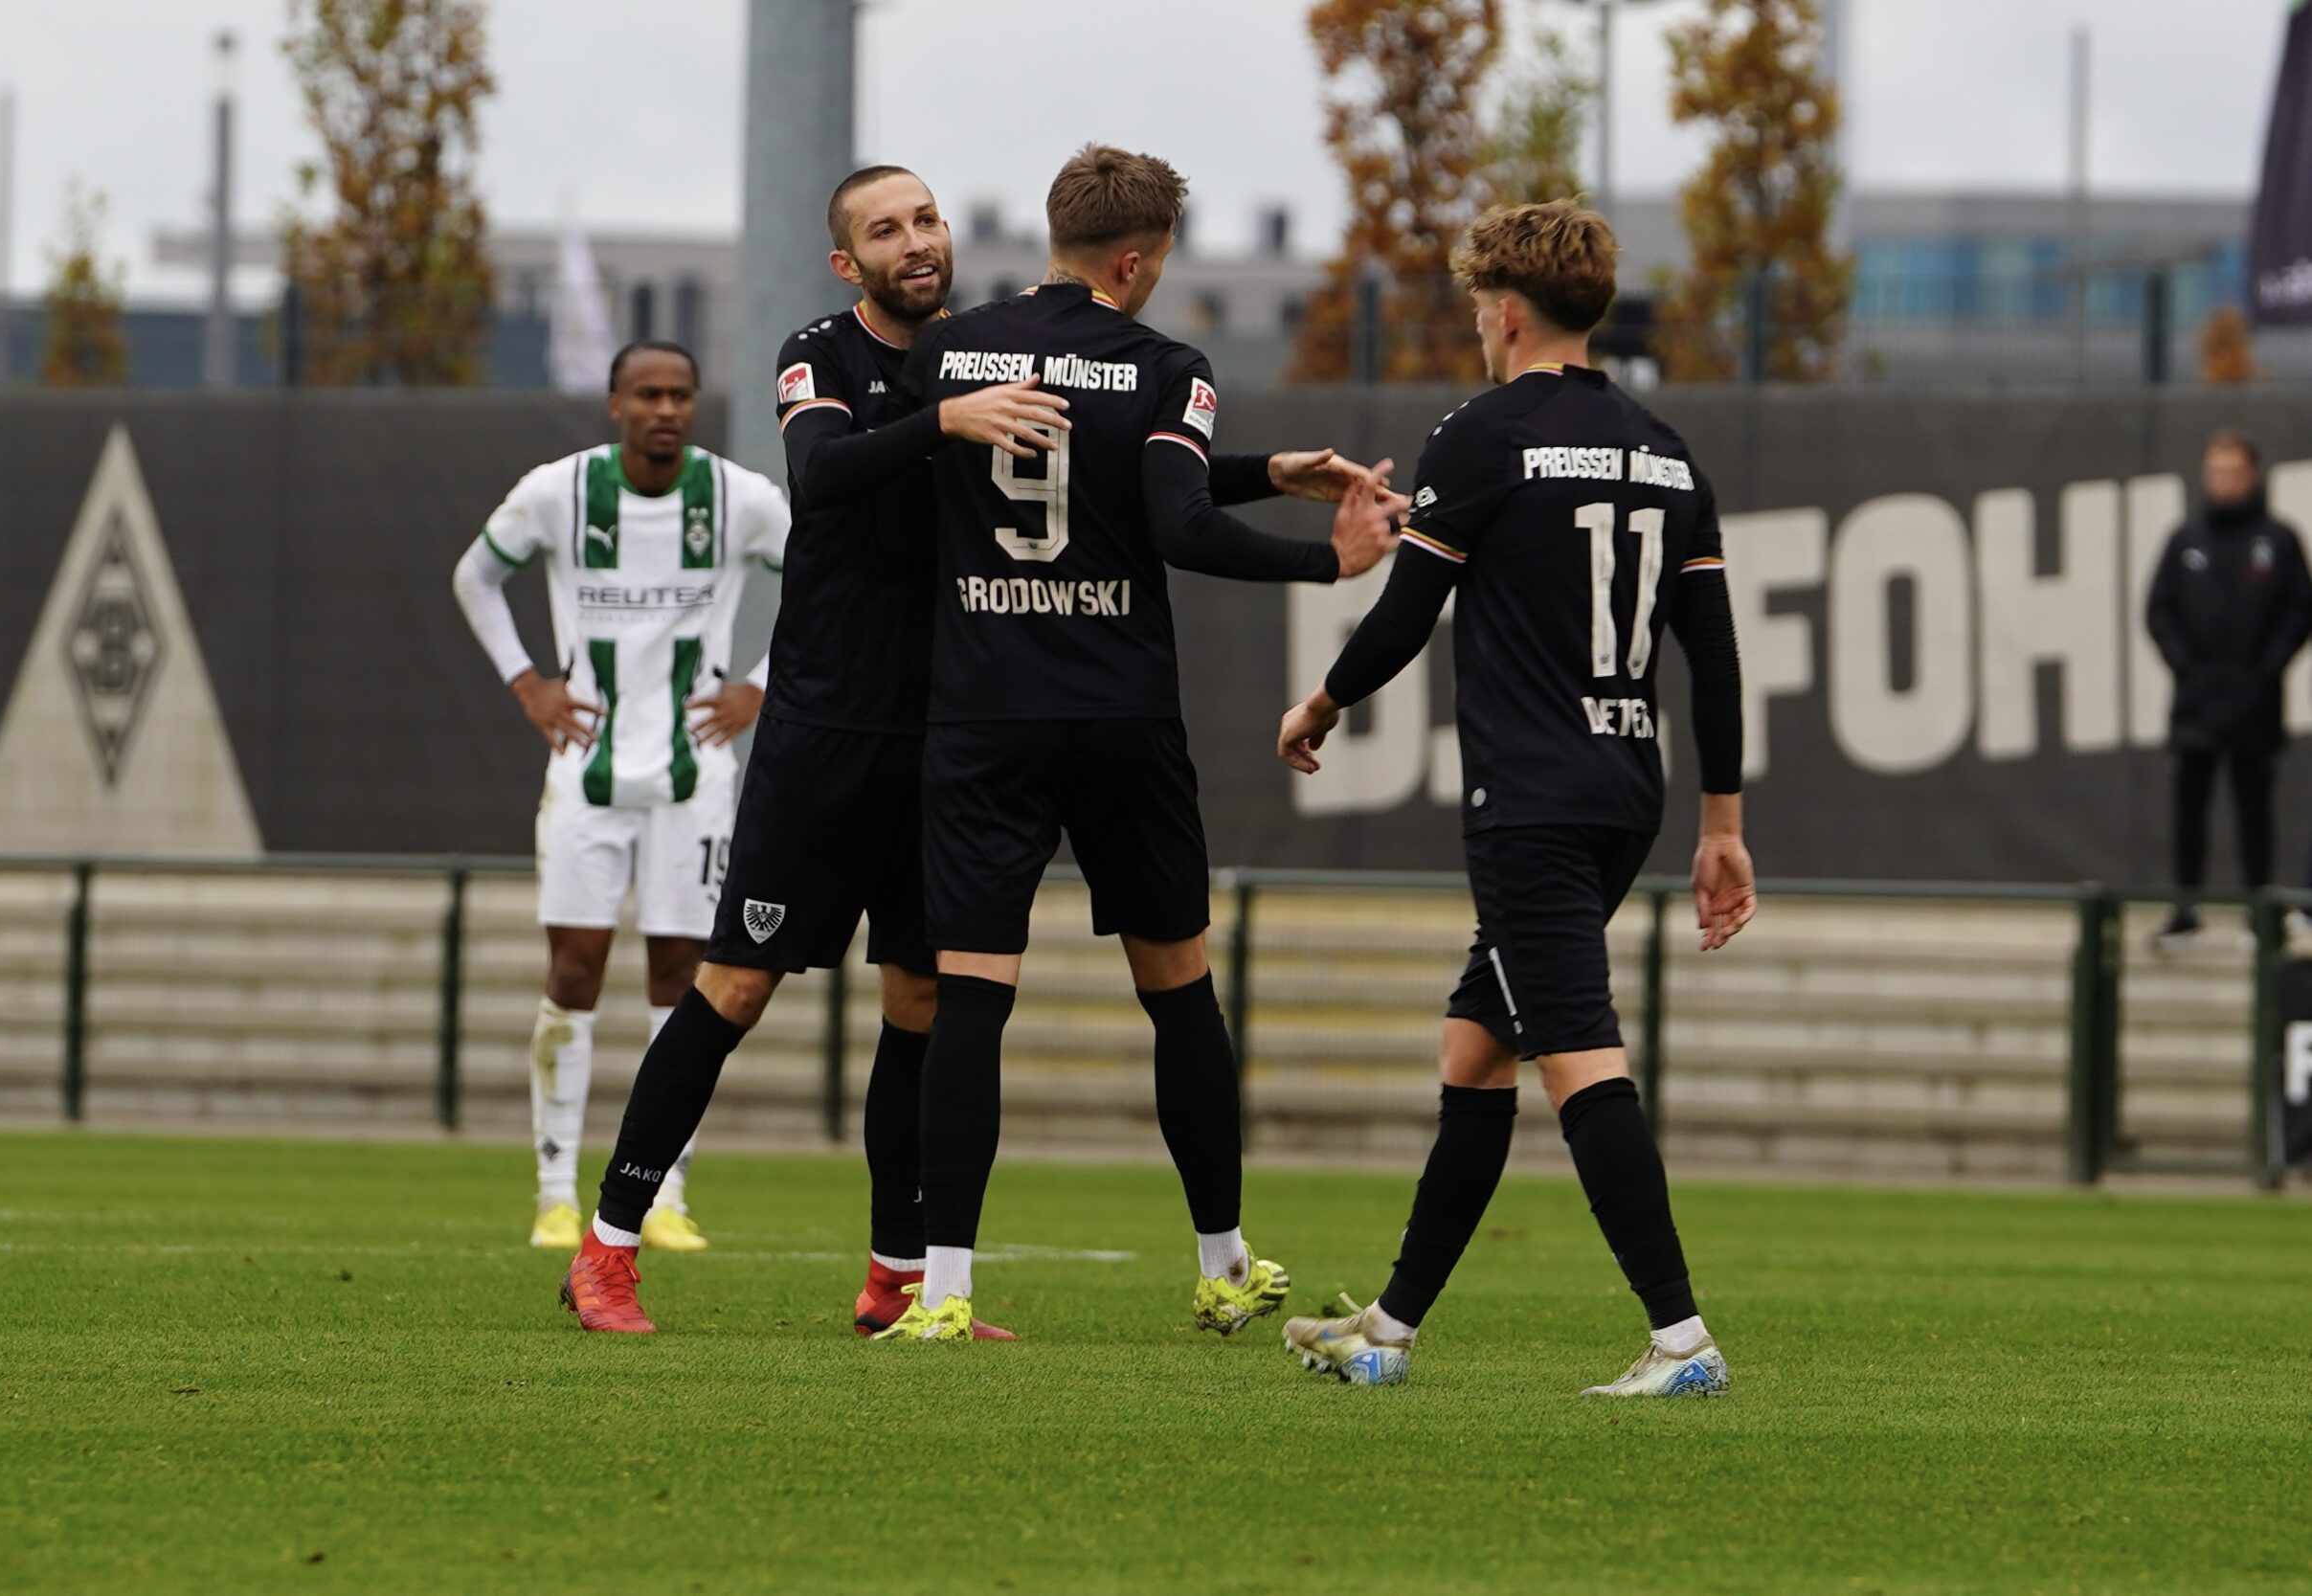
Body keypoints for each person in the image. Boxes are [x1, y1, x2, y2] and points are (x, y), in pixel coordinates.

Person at [558, 165, 1392, 1336]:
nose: (917, 240)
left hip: (948, 725)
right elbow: (822, 474)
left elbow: (1110, 476)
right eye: (885, 229)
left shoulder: (976, 350)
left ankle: (897, 1274)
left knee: (921, 1000)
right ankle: (606, 1246)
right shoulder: (831, 357)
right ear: (849, 264)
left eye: (928, 219)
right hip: (829, 727)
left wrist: (1266, 473)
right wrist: (942, 418)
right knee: (735, 983)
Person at [873, 145, 1403, 1343]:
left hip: (986, 713)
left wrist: (1269, 472)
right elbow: (1172, 517)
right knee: (1178, 993)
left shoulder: (950, 354)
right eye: (1160, 260)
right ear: (1134, 257)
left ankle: (945, 1291)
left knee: (970, 998)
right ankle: (1220, 1261)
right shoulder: (1165, 365)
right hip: (1118, 716)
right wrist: (1329, 558)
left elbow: (1037, 477)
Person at [1271, 200, 1752, 1396]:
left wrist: (1319, 703)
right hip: (1622, 787)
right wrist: (1724, 825)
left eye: (1480, 306)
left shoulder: (1484, 434)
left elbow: (1403, 613)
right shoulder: (1665, 448)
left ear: (1505, 310)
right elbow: (1719, 653)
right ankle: (1385, 1333)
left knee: (1577, 1059)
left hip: (1529, 797)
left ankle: (1683, 1340)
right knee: (1476, 1051)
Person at [451, 340, 789, 1252]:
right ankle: (554, 1192)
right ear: (614, 404)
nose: (665, 408)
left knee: (686, 983)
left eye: (680, 393)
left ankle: (666, 1196)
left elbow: (828, 575)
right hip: (588, 772)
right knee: (574, 970)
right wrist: (528, 683)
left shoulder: (738, 498)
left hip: (694, 776)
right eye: (647, 393)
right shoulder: (557, 492)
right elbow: (474, 576)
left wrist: (761, 684)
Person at [2144, 430, 2312, 946]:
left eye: (2232, 471)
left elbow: (2298, 610)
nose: (2223, 480)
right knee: (2189, 806)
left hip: (2254, 705)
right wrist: (2186, 667)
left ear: (2251, 475)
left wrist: (2266, 669)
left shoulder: (2278, 540)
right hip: (2196, 703)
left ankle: (2257, 912)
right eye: (2214, 471)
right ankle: (2186, 909)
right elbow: (2158, 610)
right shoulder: (2185, 539)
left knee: (2254, 809)